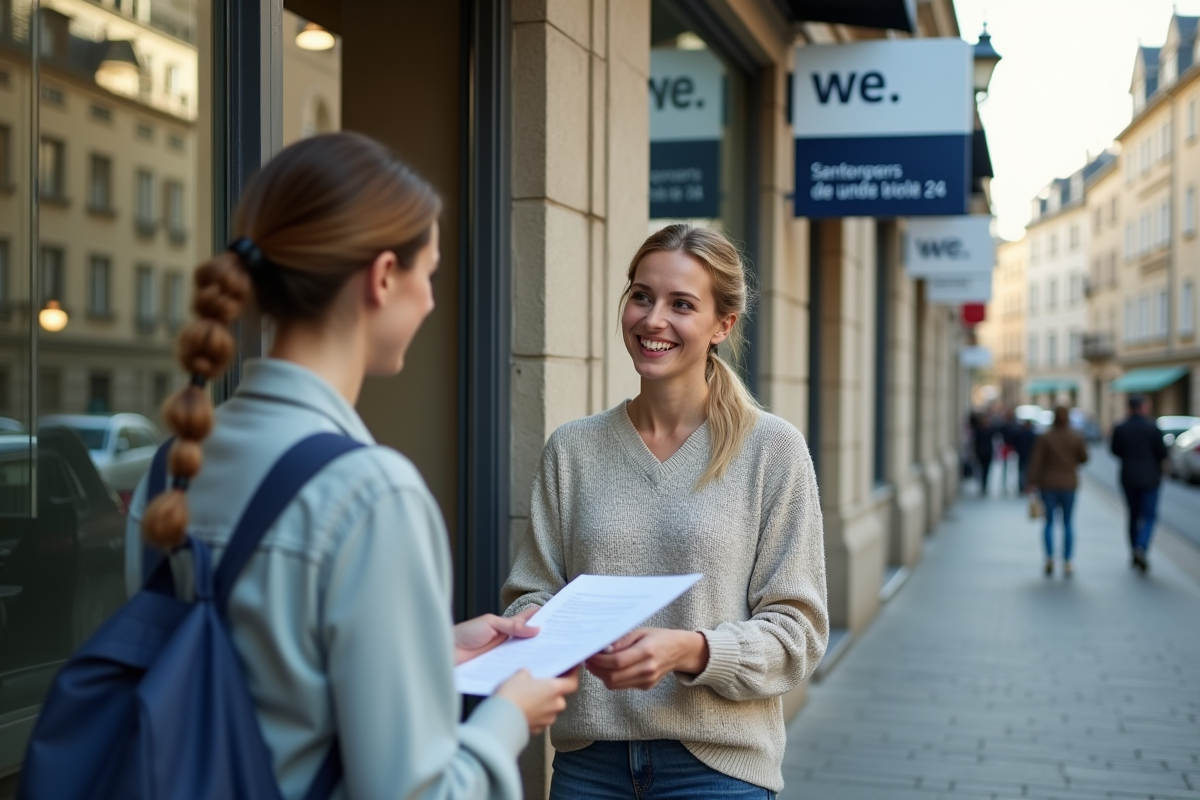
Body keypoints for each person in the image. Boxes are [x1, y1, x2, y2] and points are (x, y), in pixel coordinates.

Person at [125, 133, 578, 799]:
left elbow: (249, 677)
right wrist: (508, 720)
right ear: (384, 276)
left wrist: (426, 649)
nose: (429, 300)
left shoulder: (170, 468)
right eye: (430, 275)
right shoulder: (371, 496)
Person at [502, 224, 829, 800]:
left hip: (717, 770)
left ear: (722, 325)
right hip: (589, 766)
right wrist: (552, 632)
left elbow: (798, 633)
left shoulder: (771, 451)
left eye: (682, 304)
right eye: (641, 295)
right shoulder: (573, 448)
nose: (653, 320)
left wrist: (692, 650)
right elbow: (532, 595)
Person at [1026, 406, 1088, 576]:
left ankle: (1049, 558)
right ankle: (1068, 561)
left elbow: (1036, 461)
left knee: (1049, 522)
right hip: (1069, 484)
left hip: (1048, 484)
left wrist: (1031, 481)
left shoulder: (1046, 437)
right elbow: (1084, 458)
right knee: (1068, 522)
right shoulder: (1076, 436)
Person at [1110, 394, 1169, 573]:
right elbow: (1162, 453)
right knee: (1149, 515)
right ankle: (1141, 547)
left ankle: (1134, 548)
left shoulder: (1121, 427)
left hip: (1128, 477)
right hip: (1150, 478)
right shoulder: (1153, 428)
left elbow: (1114, 450)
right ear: (1143, 407)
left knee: (1133, 515)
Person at [970, 411, 995, 496]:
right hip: (980, 453)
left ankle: (985, 484)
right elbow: (975, 442)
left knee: (986, 470)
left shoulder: (990, 429)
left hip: (988, 453)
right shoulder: (978, 430)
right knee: (981, 470)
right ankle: (982, 484)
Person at [1009, 418, 1037, 495]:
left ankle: (1025, 487)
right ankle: (1023, 487)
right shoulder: (1025, 433)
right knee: (1023, 471)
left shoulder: (1029, 434)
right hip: (1024, 455)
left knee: (1024, 471)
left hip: (1026, 455)